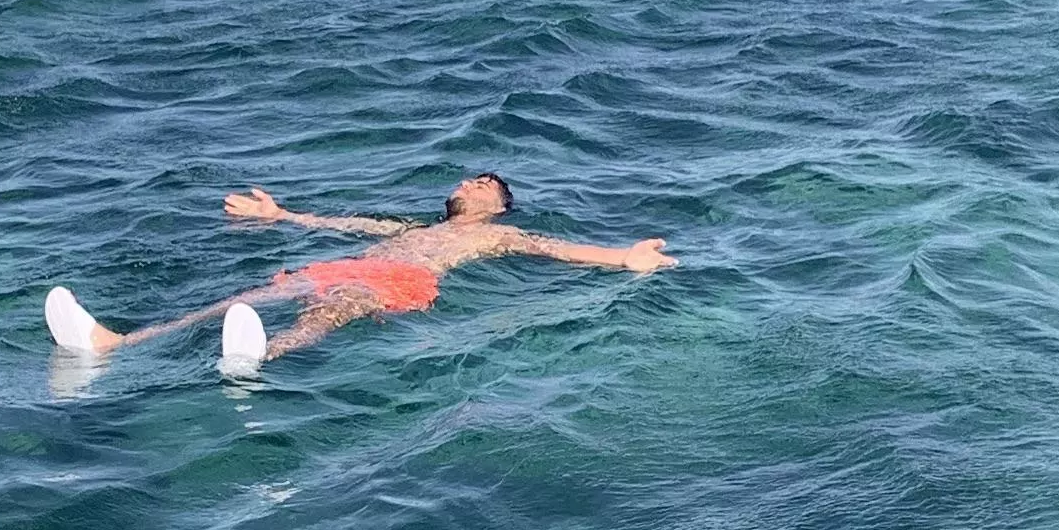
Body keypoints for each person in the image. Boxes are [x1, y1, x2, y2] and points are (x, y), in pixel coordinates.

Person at [46, 170, 675, 376]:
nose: (467, 183)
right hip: (353, 264)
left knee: (330, 312)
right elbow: (346, 224)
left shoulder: (498, 232)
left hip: (401, 285)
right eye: (465, 178)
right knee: (252, 293)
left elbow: (553, 248)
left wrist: (623, 257)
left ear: (498, 203)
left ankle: (256, 362)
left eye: (481, 182)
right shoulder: (412, 228)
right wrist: (282, 214)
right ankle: (116, 343)